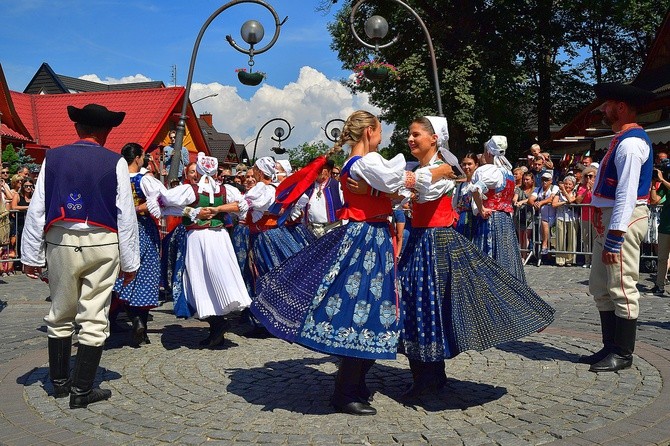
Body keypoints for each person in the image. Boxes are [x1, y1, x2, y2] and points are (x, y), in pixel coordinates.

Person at [250, 110, 454, 416]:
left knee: (364, 310)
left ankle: (353, 385)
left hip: (367, 235)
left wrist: (383, 191)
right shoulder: (368, 162)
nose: (383, 136)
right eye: (380, 130)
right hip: (368, 240)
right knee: (366, 311)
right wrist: (436, 173)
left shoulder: (355, 164)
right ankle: (345, 392)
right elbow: (401, 179)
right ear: (370, 131)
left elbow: (393, 191)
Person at [398, 116, 554, 398]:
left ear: (434, 138)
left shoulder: (441, 170)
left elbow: (421, 189)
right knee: (417, 301)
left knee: (433, 303)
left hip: (437, 241)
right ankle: (425, 372)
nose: (410, 139)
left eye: (416, 134)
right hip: (420, 241)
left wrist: (415, 179)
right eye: (409, 134)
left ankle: (430, 375)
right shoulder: (424, 168)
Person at [21, 103, 139, 408]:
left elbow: (37, 208)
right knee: (94, 316)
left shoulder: (53, 157)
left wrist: (30, 255)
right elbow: (126, 215)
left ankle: (59, 384)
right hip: (102, 242)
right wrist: (130, 262)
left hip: (60, 242)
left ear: (77, 128)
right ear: (107, 131)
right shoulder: (116, 162)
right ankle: (82, 390)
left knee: (60, 312)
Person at [578, 82, 655, 373]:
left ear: (620, 107)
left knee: (621, 286)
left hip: (622, 220)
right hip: (610, 220)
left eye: (607, 104)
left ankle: (622, 352)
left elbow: (627, 191)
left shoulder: (632, 142)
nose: (603, 109)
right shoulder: (622, 139)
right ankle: (610, 346)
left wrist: (615, 236)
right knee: (601, 286)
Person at [148, 153, 252, 347]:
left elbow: (163, 201)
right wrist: (218, 209)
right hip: (220, 237)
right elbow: (243, 204)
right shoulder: (225, 189)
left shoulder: (190, 190)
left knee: (199, 279)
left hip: (198, 236)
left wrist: (192, 211)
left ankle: (216, 323)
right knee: (217, 276)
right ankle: (217, 325)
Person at [111, 143, 165, 346]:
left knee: (122, 275)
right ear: (138, 158)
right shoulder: (145, 180)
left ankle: (128, 321)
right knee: (145, 275)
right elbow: (159, 200)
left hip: (120, 229)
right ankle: (139, 322)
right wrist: (137, 208)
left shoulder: (117, 178)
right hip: (142, 227)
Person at [468, 136, 527, 282]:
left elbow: (475, 189)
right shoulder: (508, 172)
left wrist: (481, 208)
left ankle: (489, 290)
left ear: (488, 152)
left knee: (487, 256)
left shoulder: (490, 171)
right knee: (506, 256)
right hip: (505, 220)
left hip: (491, 219)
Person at [296, 159, 345, 237]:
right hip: (309, 230)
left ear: (328, 171)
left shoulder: (337, 186)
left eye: (321, 168)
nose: (316, 171)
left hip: (331, 231)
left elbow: (346, 207)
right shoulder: (307, 186)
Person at [648, 166, 670, 296]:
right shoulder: (664, 187)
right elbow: (654, 200)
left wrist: (662, 179)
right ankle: (659, 285)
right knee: (662, 258)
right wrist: (653, 185)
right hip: (665, 227)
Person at [529, 172, 558, 257]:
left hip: (553, 215)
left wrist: (541, 202)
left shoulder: (554, 187)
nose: (544, 182)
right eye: (543, 180)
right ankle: (545, 252)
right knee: (541, 229)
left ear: (551, 181)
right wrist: (534, 204)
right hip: (541, 216)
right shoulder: (538, 189)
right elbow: (531, 199)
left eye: (546, 180)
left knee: (545, 223)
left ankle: (545, 245)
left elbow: (551, 199)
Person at [552, 175, 577, 266]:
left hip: (572, 218)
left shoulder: (575, 192)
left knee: (572, 239)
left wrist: (565, 192)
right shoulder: (559, 193)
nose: (567, 186)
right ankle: (560, 259)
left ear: (573, 186)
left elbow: (571, 200)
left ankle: (570, 259)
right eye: (566, 184)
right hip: (560, 217)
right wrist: (564, 202)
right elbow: (554, 204)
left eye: (570, 184)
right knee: (560, 239)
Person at [453, 153, 479, 239]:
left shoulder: (479, 184)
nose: (466, 167)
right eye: (464, 164)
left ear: (476, 165)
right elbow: (454, 205)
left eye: (469, 164)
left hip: (476, 220)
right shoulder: (460, 186)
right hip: (462, 221)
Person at [575, 166, 596, 267]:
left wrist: (592, 190)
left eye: (591, 176)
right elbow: (578, 201)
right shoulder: (582, 188)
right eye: (586, 176)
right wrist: (586, 191)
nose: (588, 178)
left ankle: (595, 261)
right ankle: (587, 260)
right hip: (585, 217)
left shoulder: (597, 187)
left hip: (595, 216)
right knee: (586, 239)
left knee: (595, 239)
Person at [513, 172, 536, 261]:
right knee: (520, 236)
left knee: (526, 236)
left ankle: (524, 256)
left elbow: (531, 199)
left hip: (529, 216)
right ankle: (520, 255)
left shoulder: (535, 190)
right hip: (519, 215)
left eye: (527, 179)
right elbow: (515, 197)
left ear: (532, 180)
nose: (525, 181)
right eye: (524, 179)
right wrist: (515, 201)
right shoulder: (519, 189)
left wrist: (522, 202)